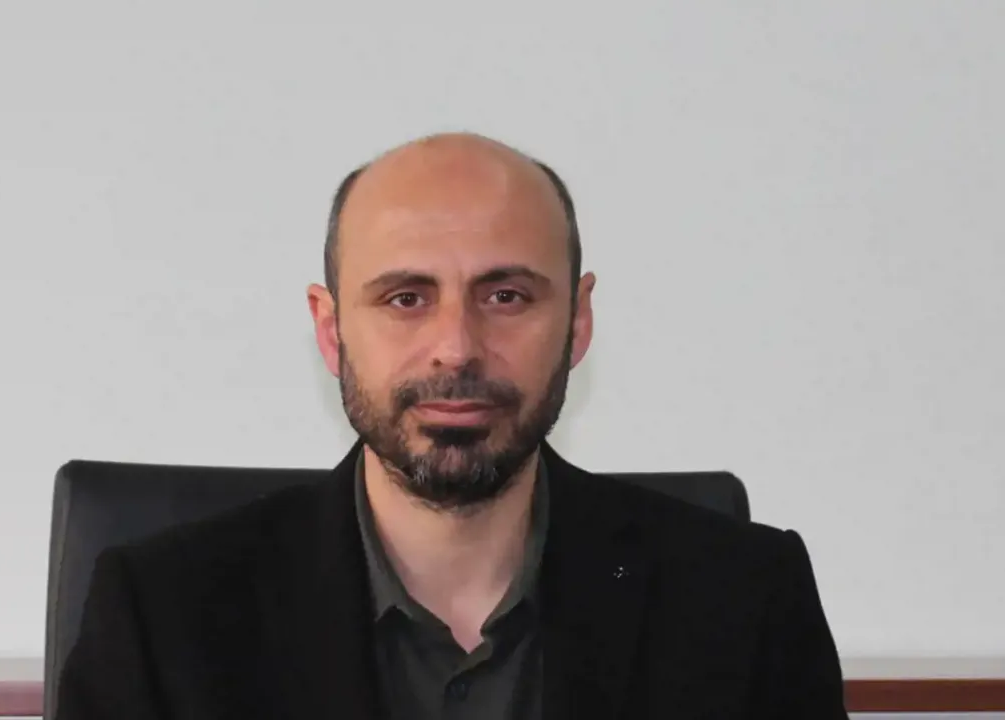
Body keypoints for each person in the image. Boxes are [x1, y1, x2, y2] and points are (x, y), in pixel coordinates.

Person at [55, 133, 850, 719]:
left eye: (506, 296)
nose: (457, 348)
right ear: (331, 330)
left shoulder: (744, 599)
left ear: (578, 322)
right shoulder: (164, 617)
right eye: (406, 298)